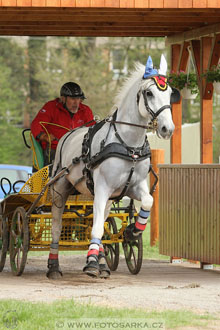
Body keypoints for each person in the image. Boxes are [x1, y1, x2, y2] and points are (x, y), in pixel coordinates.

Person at [31, 82, 95, 167]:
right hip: (56, 149)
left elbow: (93, 129)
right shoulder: (51, 107)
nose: (76, 103)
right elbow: (36, 124)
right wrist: (43, 136)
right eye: (72, 99)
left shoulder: (85, 110)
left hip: (78, 150)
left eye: (78, 98)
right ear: (63, 99)